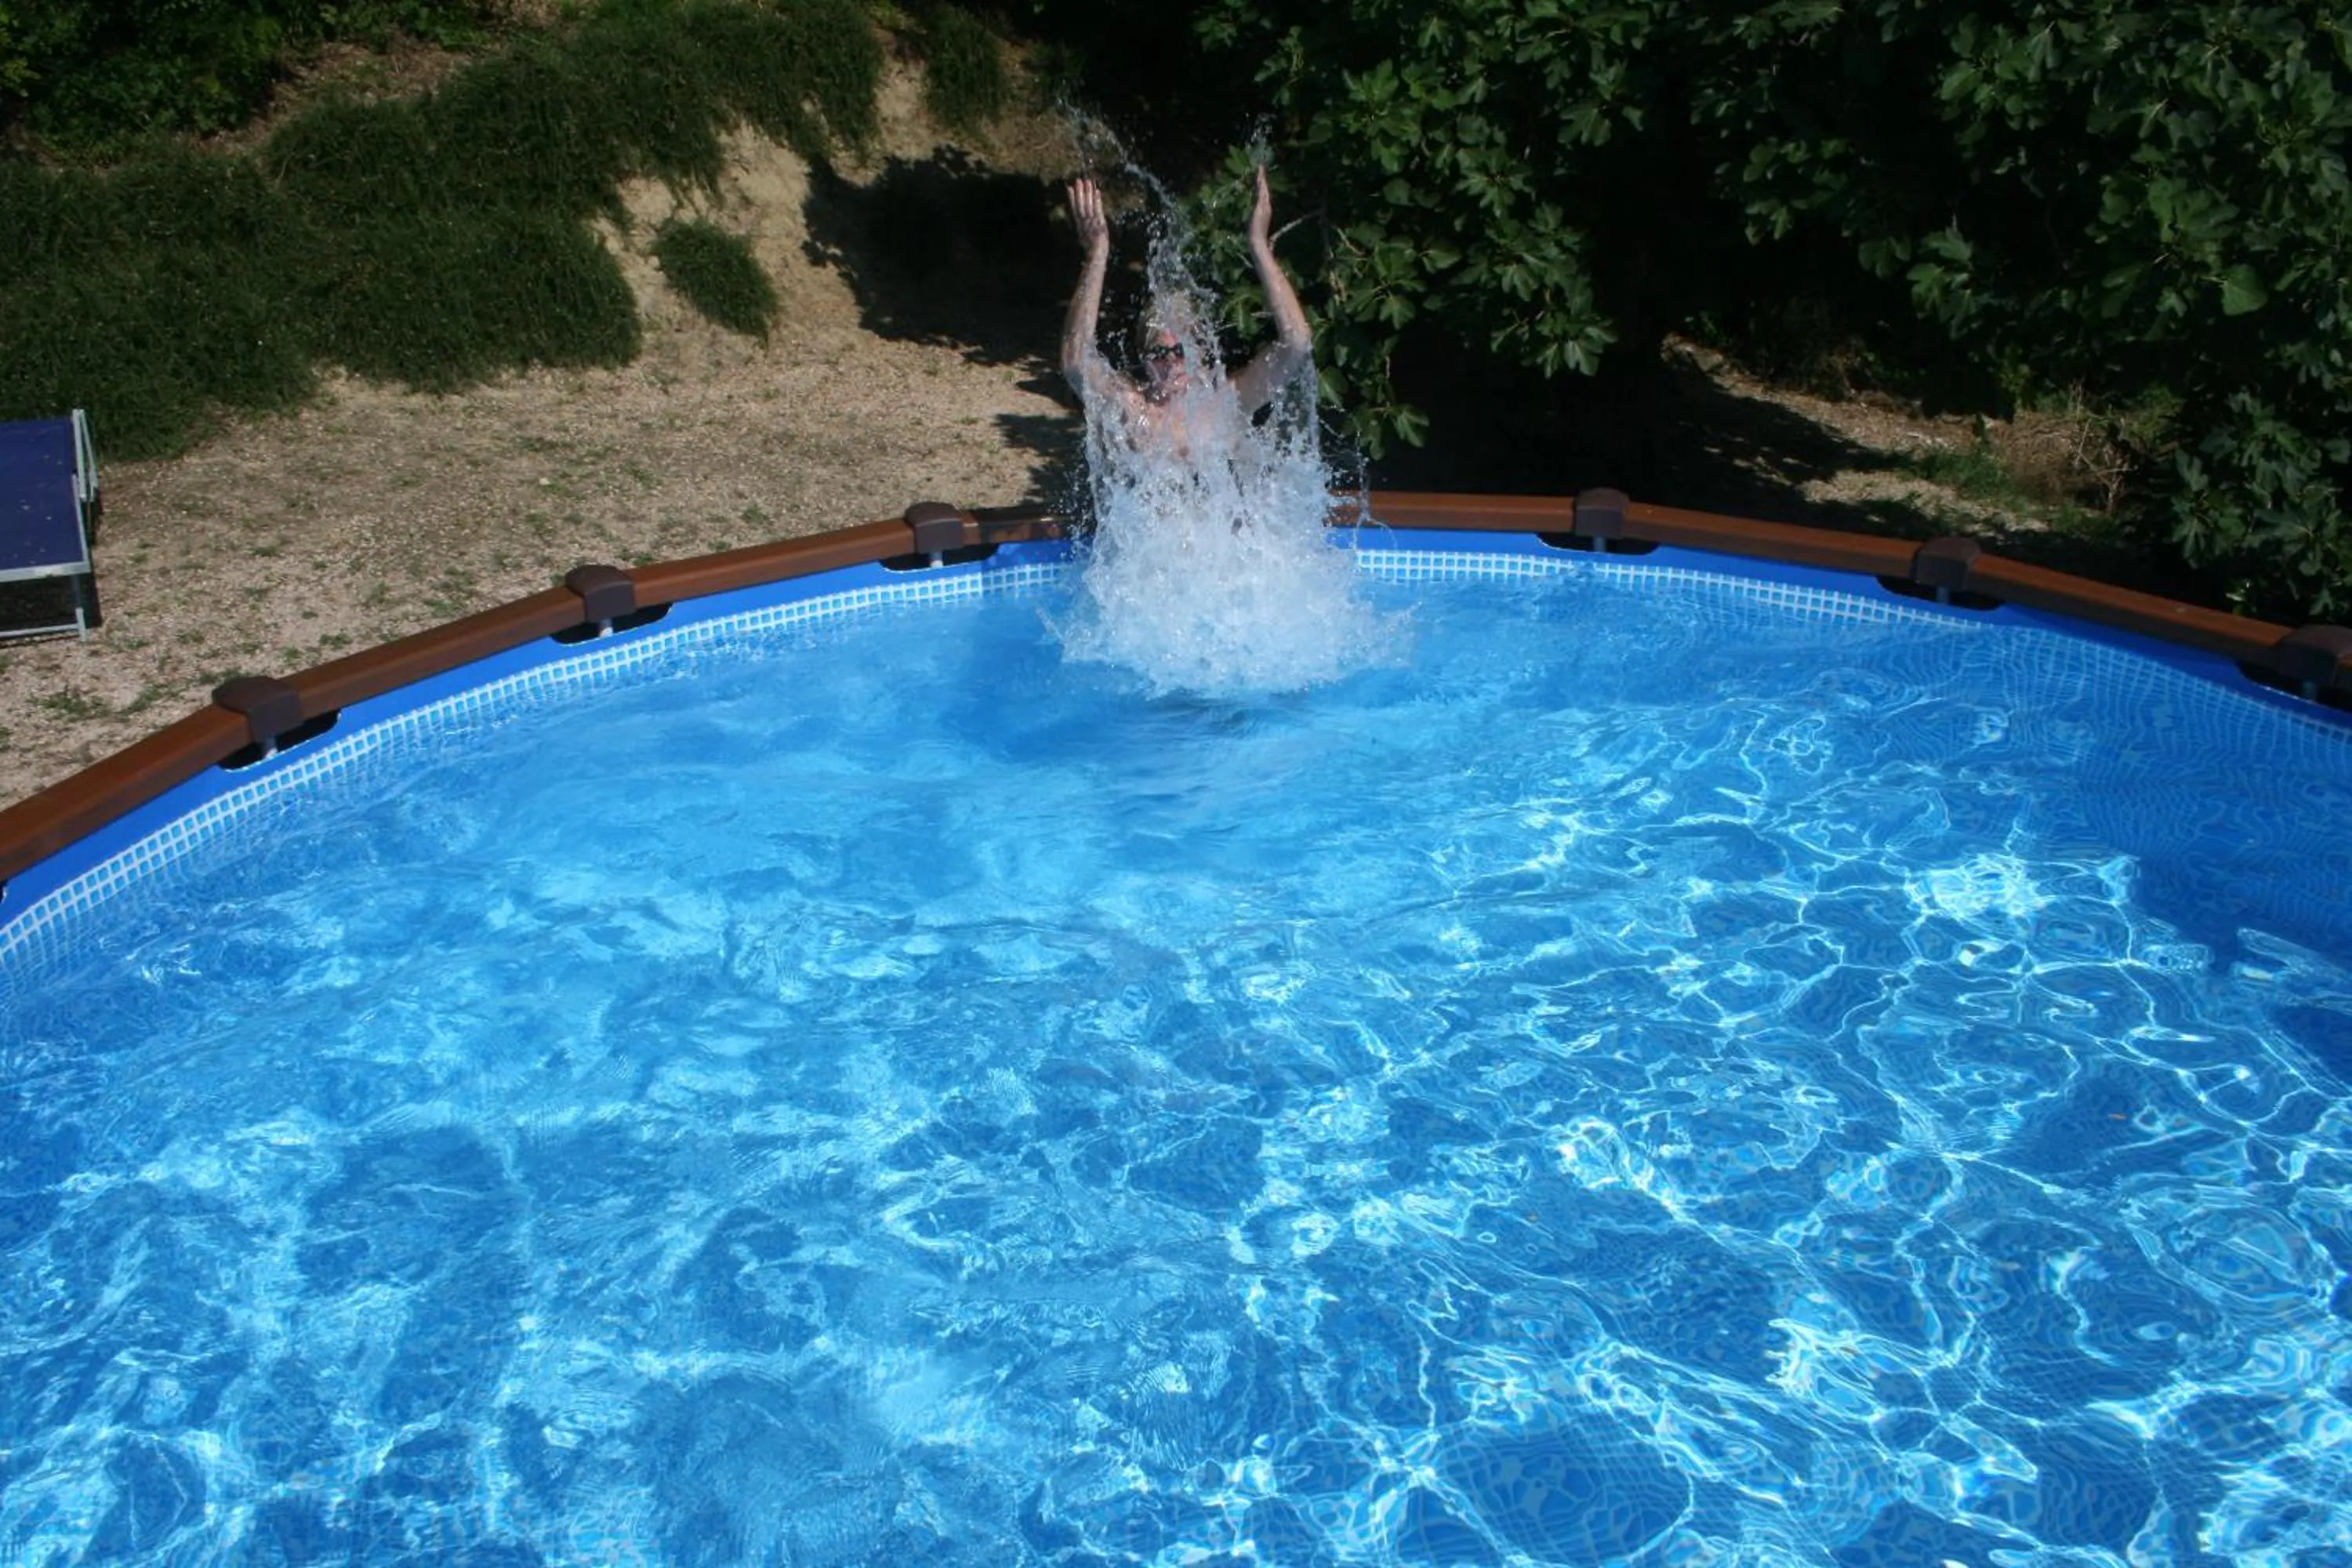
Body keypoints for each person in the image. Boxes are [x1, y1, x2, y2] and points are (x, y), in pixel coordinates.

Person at [1061, 167, 1313, 451]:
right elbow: (1075, 362)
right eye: (1159, 354)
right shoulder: (1134, 410)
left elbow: (1297, 343)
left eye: (1180, 351)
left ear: (1199, 354)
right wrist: (1097, 254)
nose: (1171, 364)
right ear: (1144, 361)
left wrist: (1258, 246)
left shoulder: (1228, 403)